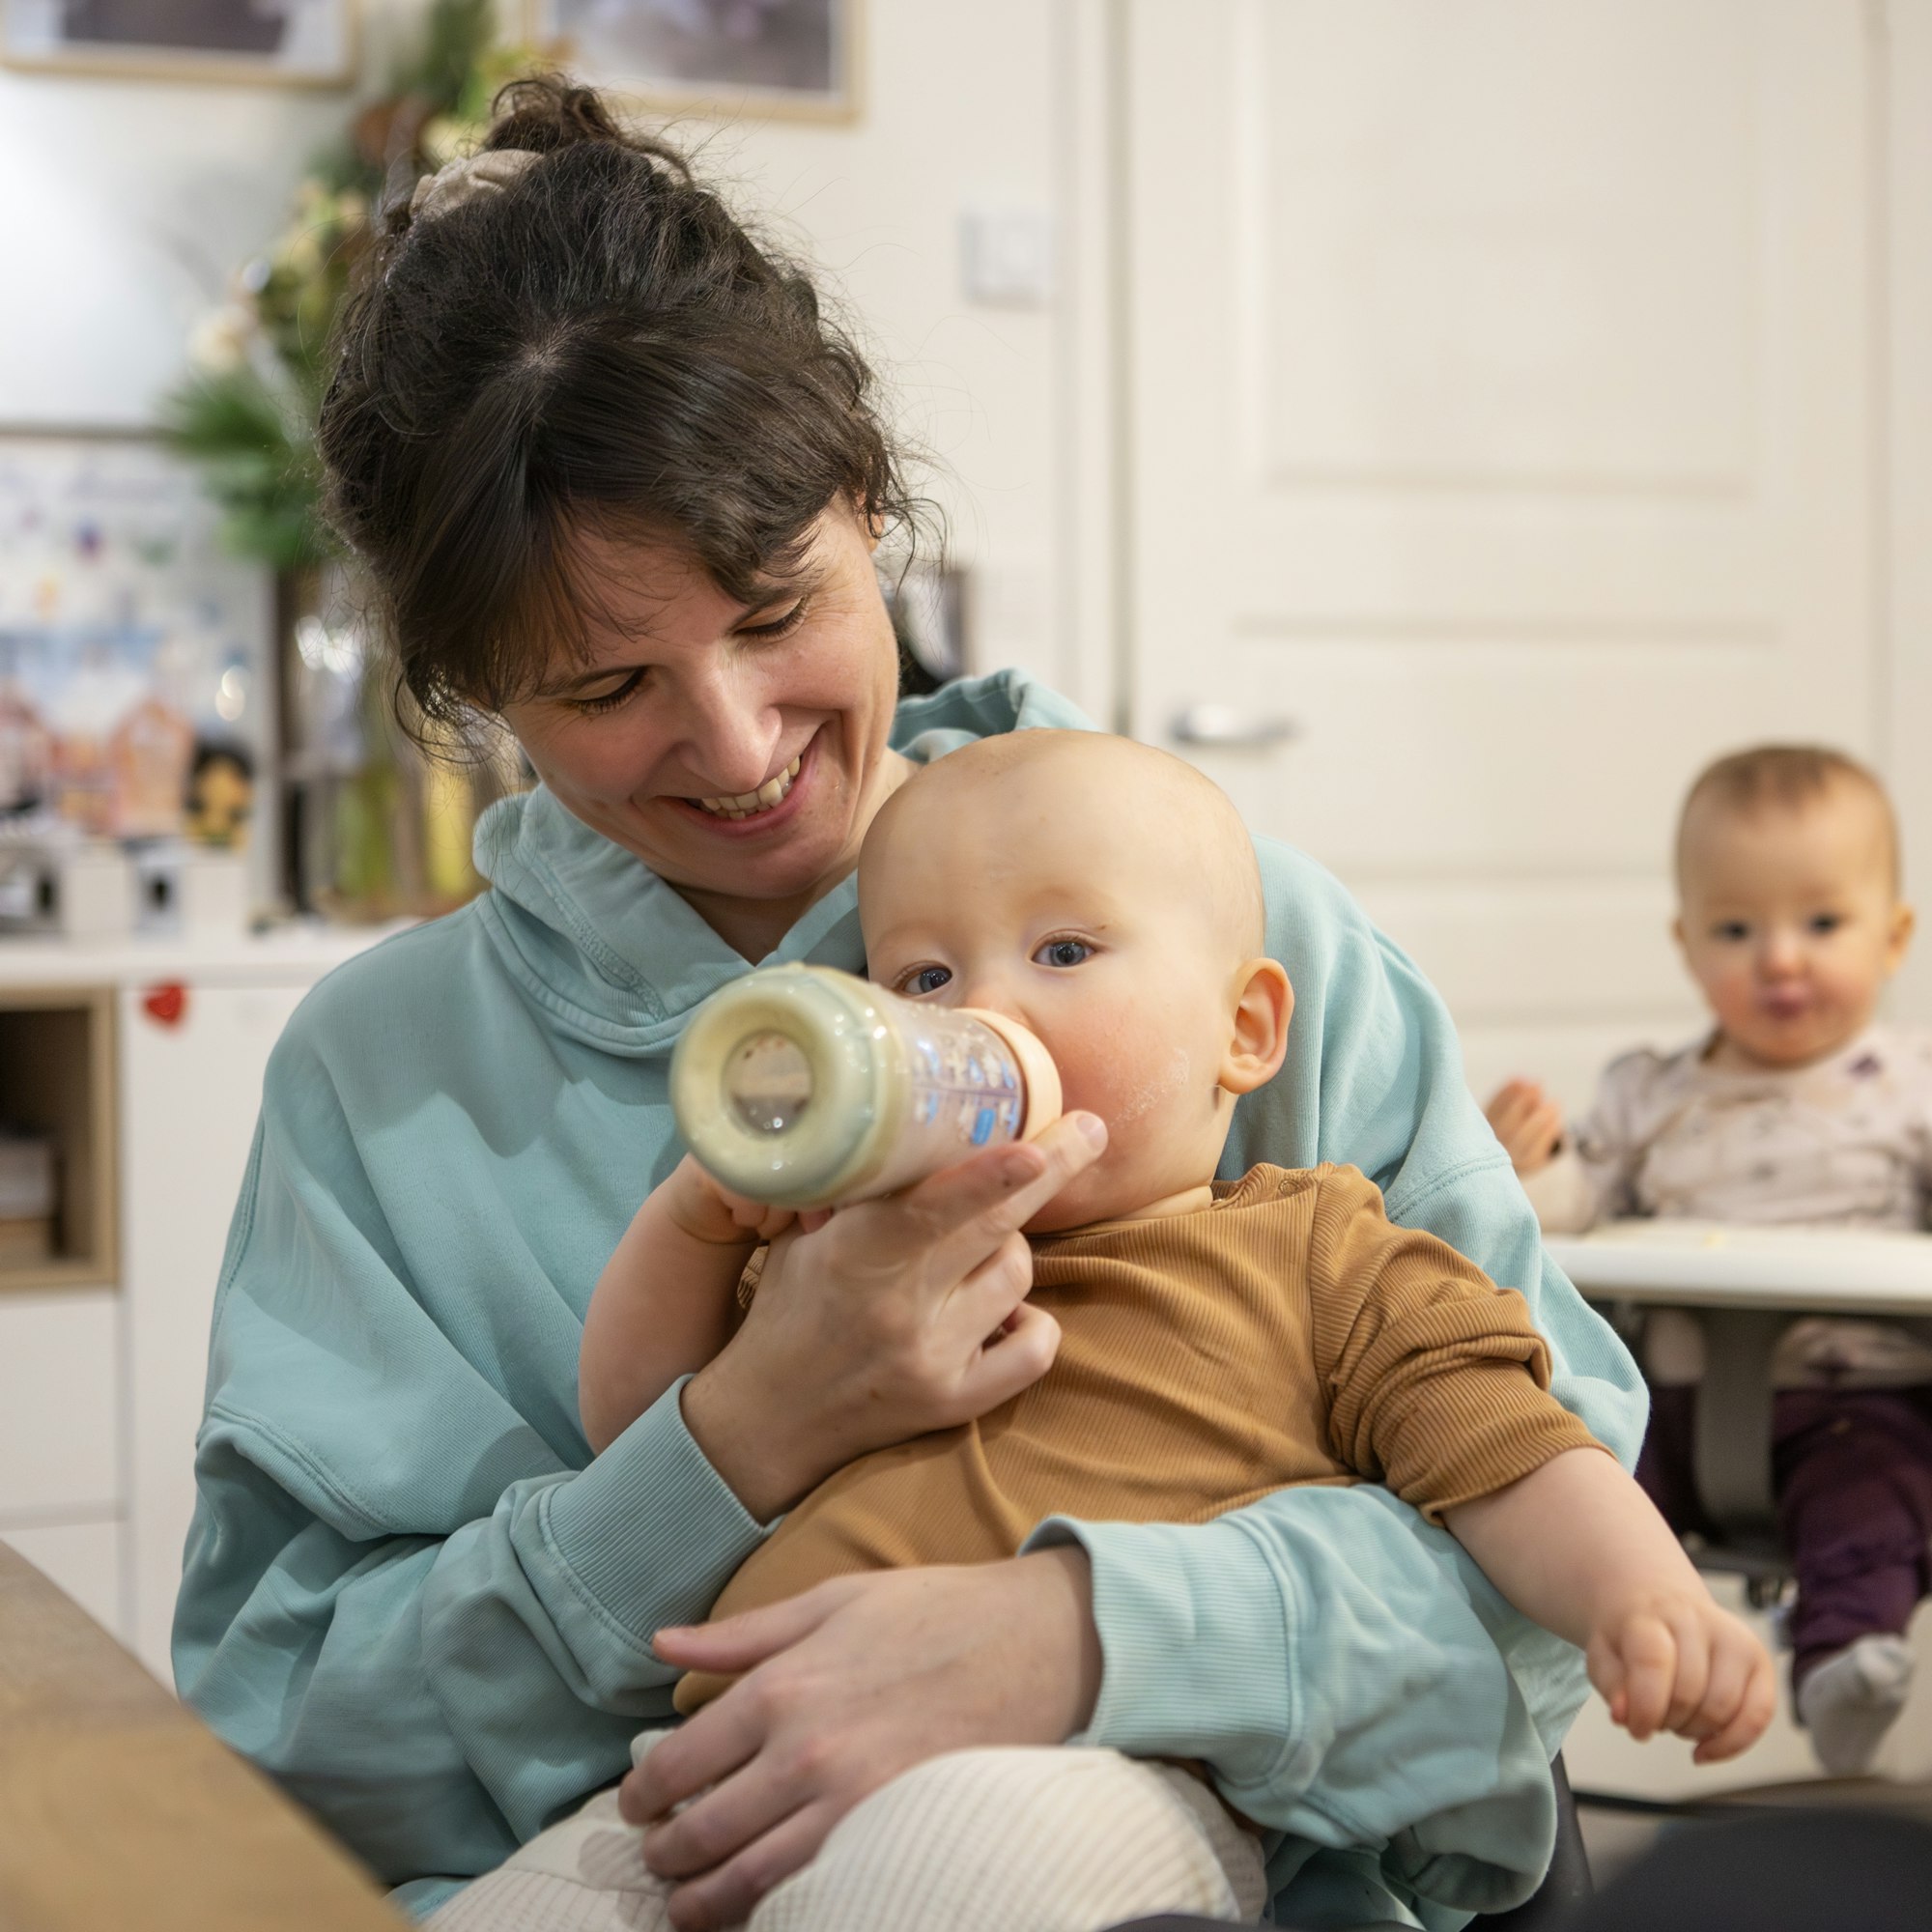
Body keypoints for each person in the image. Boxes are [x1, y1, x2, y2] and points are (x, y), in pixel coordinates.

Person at [173, 76, 1646, 1932]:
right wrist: (737, 1443)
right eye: (606, 681)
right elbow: (288, 1743)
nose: (735, 744)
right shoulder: (383, 1087)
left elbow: (1559, 1582)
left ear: (875, 513)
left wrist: (1089, 1638)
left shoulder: (1235, 944)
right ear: (477, 696)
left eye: (782, 608)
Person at [428, 730, 1770, 1931]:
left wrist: (1643, 1596)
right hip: (731, 1778)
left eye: (1065, 952)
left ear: (1242, 1030)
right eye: (926, 975)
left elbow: (1511, 1450)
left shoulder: (1317, 1252)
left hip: (1090, 1776)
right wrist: (697, 1224)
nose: (987, 1014)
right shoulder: (847, 1247)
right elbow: (633, 1421)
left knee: (937, 1882)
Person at [1486, 744, 1932, 1777]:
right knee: (1579, 1492)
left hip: (1856, 1396)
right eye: (1736, 928)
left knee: (1873, 1502)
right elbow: (1577, 1209)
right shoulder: (1649, 1093)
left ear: (1892, 935)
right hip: (1667, 1405)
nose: (1778, 956)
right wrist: (1530, 1164)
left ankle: (1843, 1662)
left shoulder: (1909, 1092)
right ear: (1687, 947)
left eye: (1819, 923)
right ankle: (1576, 1666)